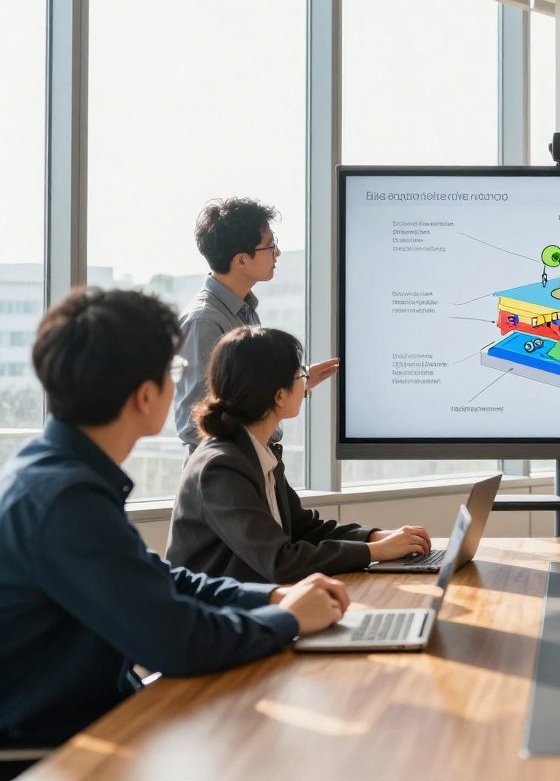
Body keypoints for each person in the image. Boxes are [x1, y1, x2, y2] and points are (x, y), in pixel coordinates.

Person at [0, 288, 349, 766]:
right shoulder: (64, 499)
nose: (181, 386)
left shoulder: (56, 474)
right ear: (146, 395)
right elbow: (179, 642)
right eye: (175, 372)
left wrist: (270, 599)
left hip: (105, 713)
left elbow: (160, 579)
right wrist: (288, 619)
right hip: (60, 748)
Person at [167, 326, 432, 583]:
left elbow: (305, 529)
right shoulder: (220, 467)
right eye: (300, 374)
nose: (306, 382)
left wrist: (377, 537)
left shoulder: (256, 451)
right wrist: (377, 552)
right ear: (279, 395)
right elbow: (280, 561)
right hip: (220, 620)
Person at [174, 197, 340, 453]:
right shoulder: (204, 321)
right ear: (241, 260)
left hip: (251, 465)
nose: (278, 253)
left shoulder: (243, 310)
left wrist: (296, 381)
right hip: (226, 475)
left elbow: (241, 393)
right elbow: (194, 422)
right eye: (270, 246)